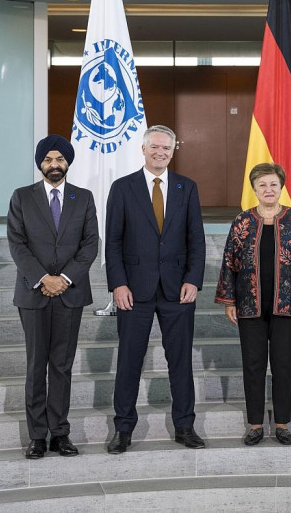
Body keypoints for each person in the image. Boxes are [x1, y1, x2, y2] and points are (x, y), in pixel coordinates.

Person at [105, 125, 206, 454]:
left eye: (167, 148)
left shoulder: (186, 187)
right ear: (144, 149)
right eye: (155, 147)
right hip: (134, 290)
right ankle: (123, 429)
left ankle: (185, 425)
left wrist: (193, 279)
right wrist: (118, 284)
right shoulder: (122, 188)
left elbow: (196, 240)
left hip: (178, 290)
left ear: (173, 151)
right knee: (129, 362)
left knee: (180, 362)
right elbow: (114, 242)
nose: (161, 152)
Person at [215, 163, 291, 446]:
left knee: (283, 364)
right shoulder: (241, 221)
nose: (268, 189)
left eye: (273, 184)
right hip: (249, 304)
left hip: (287, 304)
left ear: (281, 187)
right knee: (252, 364)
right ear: (254, 188)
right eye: (262, 185)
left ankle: (282, 424)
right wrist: (228, 299)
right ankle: (254, 425)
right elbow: (229, 261)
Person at [7, 135, 98, 459]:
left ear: (68, 163)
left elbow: (90, 245)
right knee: (36, 366)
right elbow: (17, 245)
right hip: (33, 294)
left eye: (60, 159)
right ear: (40, 163)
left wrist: (65, 278)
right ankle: (36, 437)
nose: (54, 165)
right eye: (48, 160)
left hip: (70, 294)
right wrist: (44, 278)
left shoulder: (84, 198)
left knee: (61, 365)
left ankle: (60, 433)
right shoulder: (21, 197)